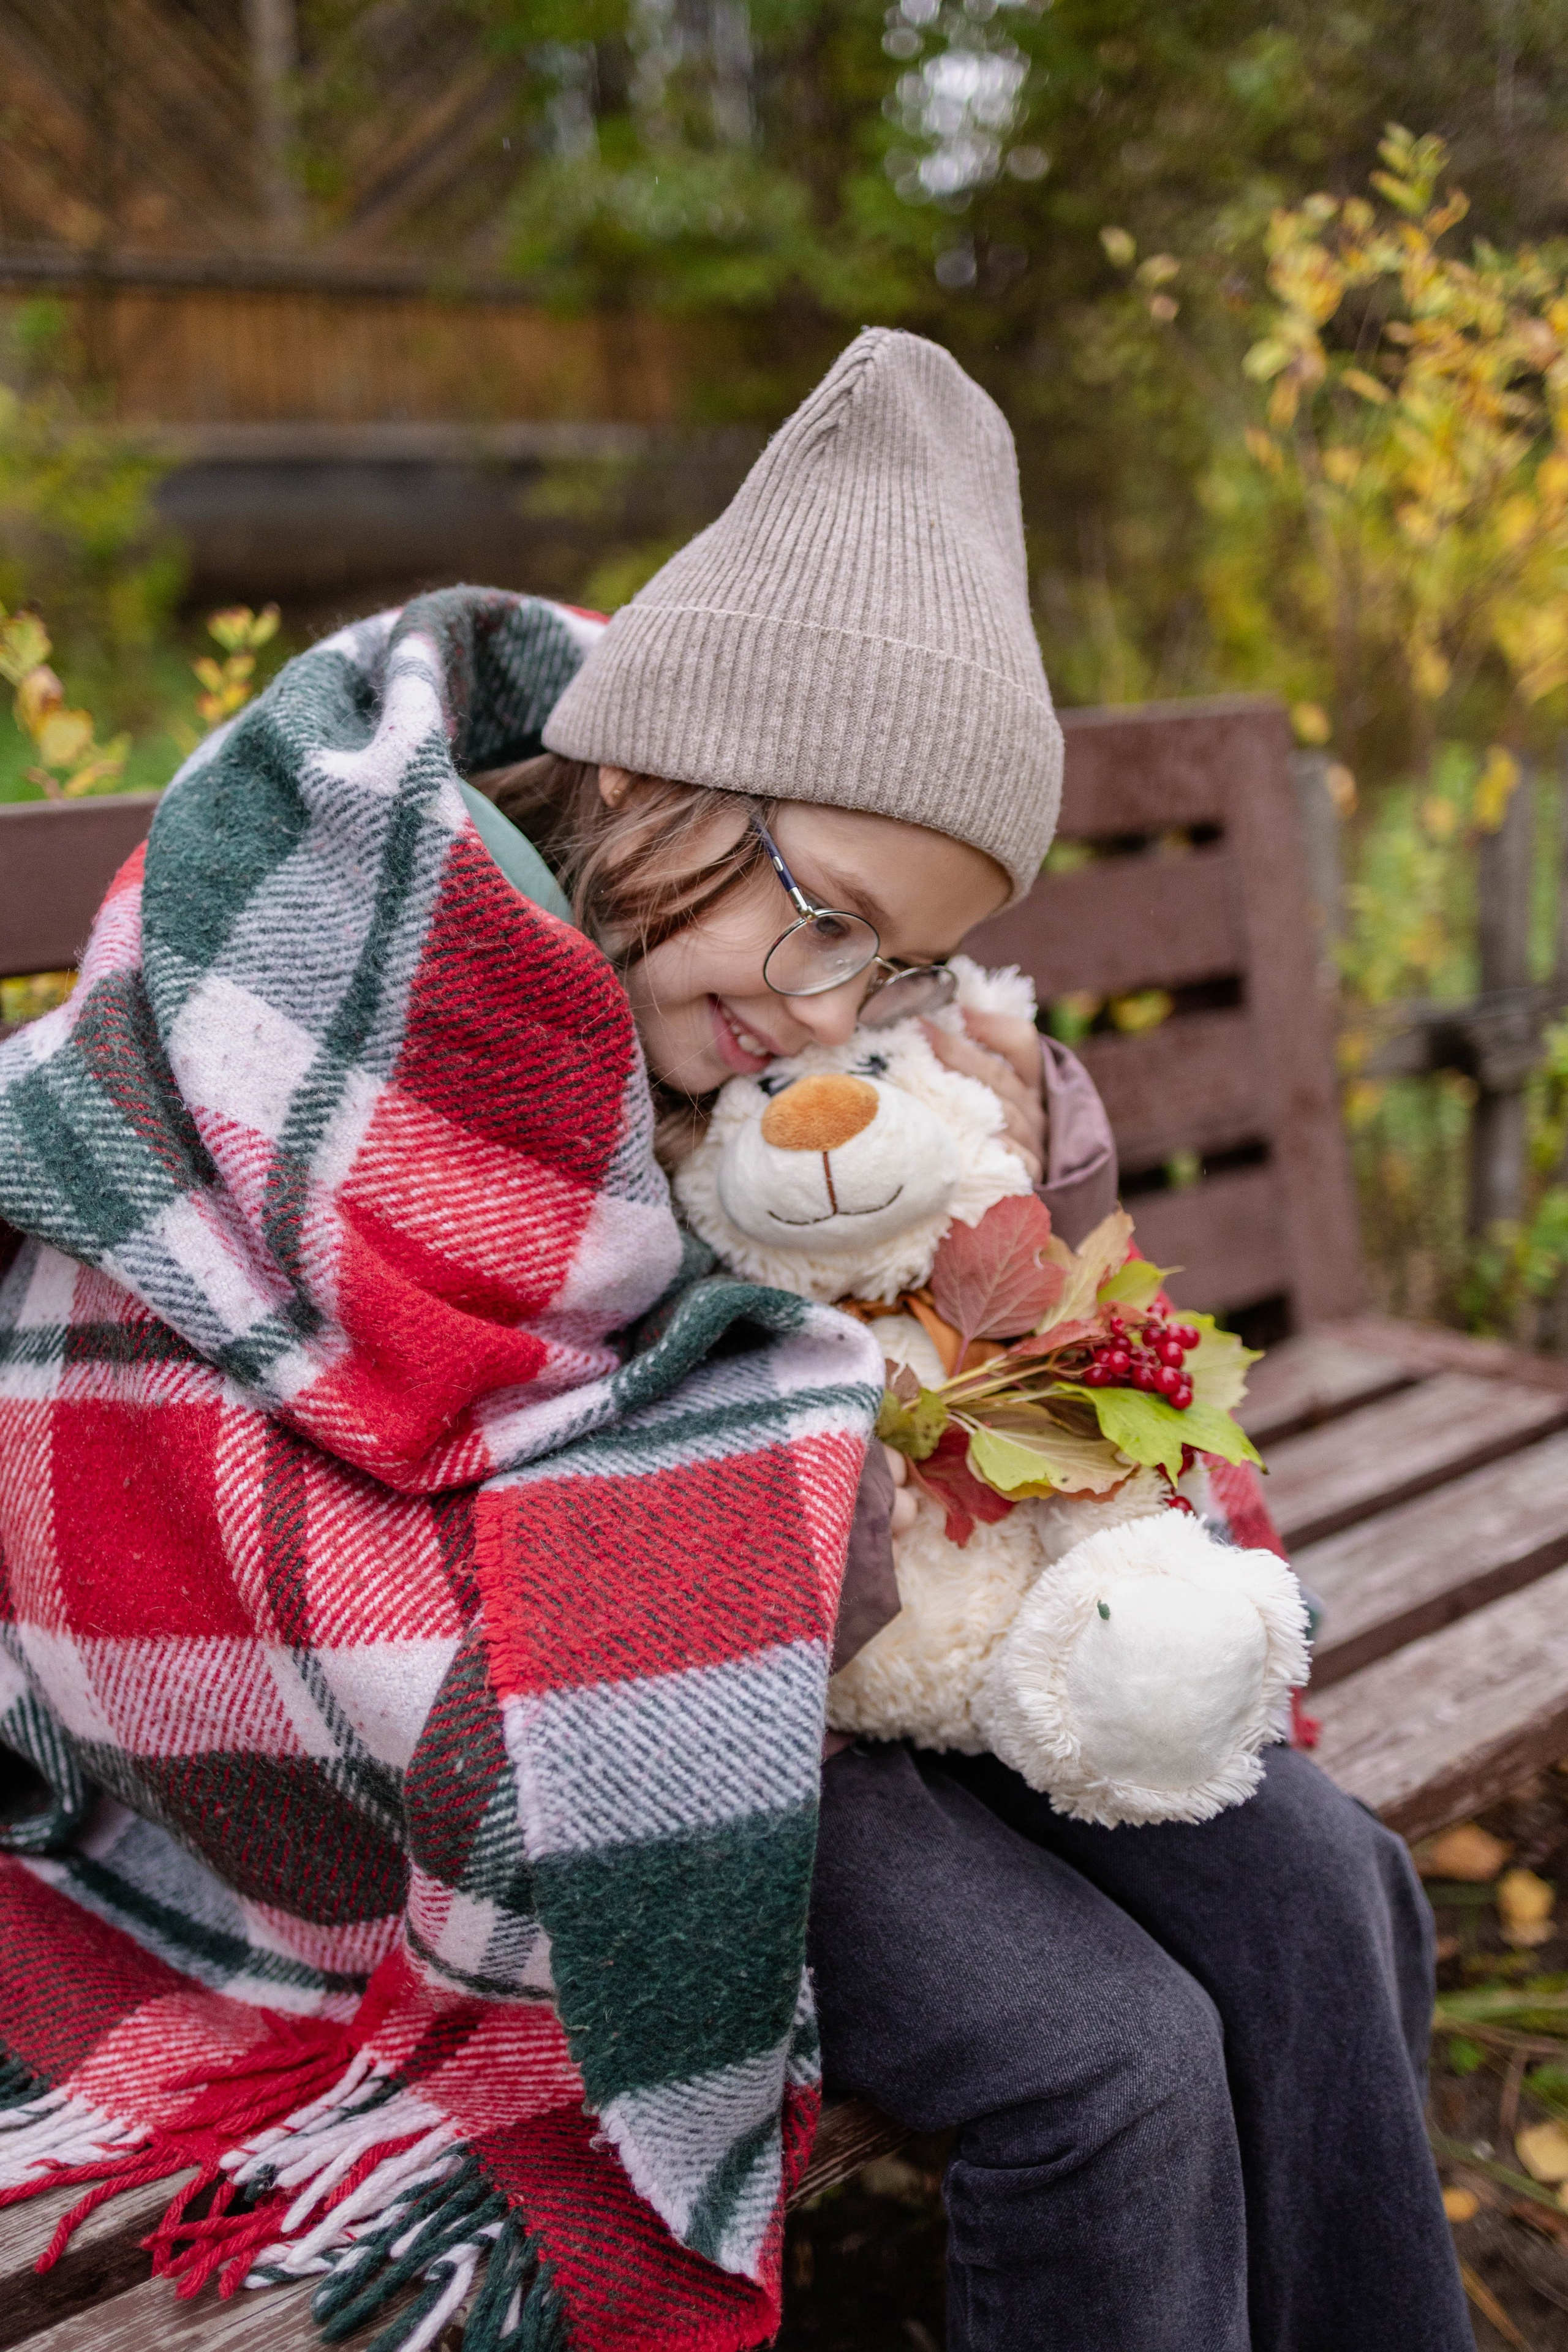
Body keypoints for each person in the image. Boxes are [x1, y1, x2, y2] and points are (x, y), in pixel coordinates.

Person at [0, 330, 1467, 2352]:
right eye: (824, 911)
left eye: (905, 956)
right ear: (643, 767)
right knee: (1101, 2058)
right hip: (553, 1670)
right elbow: (322, 1461)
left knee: (1323, 1890)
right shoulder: (377, 960)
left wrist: (1024, 1203)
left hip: (833, 1627)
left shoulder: (756, 979)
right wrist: (780, 1485)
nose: (833, 1003)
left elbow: (998, 1306)